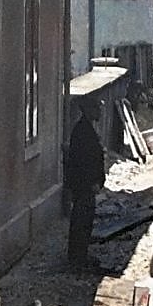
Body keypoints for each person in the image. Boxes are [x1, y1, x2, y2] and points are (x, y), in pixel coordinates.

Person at [64, 96, 106, 269]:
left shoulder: (85, 129)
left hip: (84, 184)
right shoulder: (83, 132)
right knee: (81, 220)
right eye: (97, 108)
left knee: (84, 220)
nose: (100, 112)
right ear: (89, 110)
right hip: (84, 185)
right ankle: (77, 258)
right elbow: (84, 162)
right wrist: (92, 182)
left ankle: (80, 255)